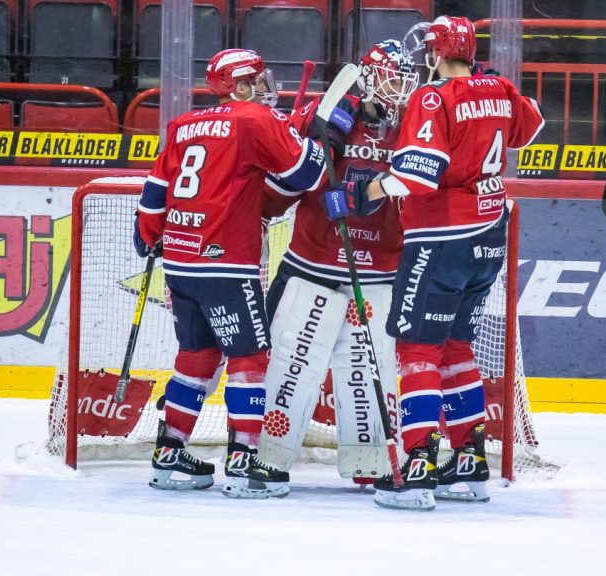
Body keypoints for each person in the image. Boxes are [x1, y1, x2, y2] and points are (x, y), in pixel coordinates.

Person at [321, 15, 544, 511]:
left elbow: (419, 175)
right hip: (489, 236)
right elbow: (533, 125)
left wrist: (362, 193)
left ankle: (418, 463)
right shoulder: (500, 88)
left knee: (418, 350)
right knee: (457, 346)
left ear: (436, 53)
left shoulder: (431, 97)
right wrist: (487, 88)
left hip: (441, 239)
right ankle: (469, 458)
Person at [135, 48, 328, 498]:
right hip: (227, 263)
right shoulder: (255, 120)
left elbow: (155, 190)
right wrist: (311, 139)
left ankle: (169, 450)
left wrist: (147, 234)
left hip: (180, 262)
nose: (264, 87)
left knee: (197, 356)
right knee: (249, 359)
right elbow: (305, 175)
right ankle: (243, 459)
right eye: (257, 80)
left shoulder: (183, 124)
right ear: (239, 85)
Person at [255, 39, 418, 487]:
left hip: (381, 268)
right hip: (314, 259)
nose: (399, 89)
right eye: (391, 79)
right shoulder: (328, 113)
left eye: (405, 81)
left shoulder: (414, 125)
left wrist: (366, 194)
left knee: (370, 370)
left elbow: (423, 180)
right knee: (290, 363)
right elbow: (291, 170)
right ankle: (267, 456)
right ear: (368, 78)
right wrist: (315, 139)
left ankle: (373, 461)